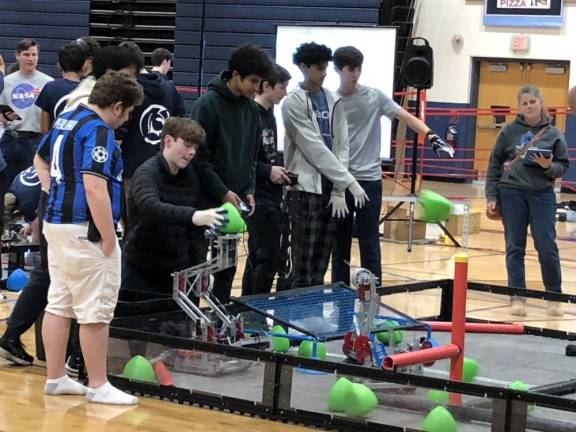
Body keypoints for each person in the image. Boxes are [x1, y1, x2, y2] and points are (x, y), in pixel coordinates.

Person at [34, 71, 144, 404]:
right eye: (127, 114)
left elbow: (39, 159)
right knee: (95, 308)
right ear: (118, 106)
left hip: (56, 223)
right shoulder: (98, 130)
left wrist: (55, 191)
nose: (125, 120)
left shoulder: (67, 119)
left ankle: (56, 378)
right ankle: (99, 385)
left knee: (60, 302)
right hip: (87, 229)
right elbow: (95, 184)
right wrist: (109, 236)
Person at [331, 46, 449, 285]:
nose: (356, 74)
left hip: (370, 180)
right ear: (337, 69)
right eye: (350, 69)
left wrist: (432, 137)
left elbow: (407, 117)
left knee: (370, 240)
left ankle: (375, 292)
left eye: (359, 68)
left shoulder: (374, 96)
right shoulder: (331, 100)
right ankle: (338, 292)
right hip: (341, 182)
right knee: (340, 242)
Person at [189, 44, 273, 303]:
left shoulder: (251, 110)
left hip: (235, 203)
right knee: (195, 266)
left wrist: (248, 191)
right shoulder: (207, 105)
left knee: (226, 268)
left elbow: (251, 157)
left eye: (260, 83)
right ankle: (185, 326)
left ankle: (218, 326)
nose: (256, 89)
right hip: (204, 201)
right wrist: (223, 192)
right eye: (252, 82)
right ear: (235, 75)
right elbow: (199, 159)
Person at [282, 42, 367, 289]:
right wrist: (349, 181)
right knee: (300, 263)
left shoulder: (333, 100)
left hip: (330, 190)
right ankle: (292, 323)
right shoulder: (293, 102)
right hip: (304, 190)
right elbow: (314, 148)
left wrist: (340, 189)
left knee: (321, 263)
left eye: (326, 68)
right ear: (303, 67)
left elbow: (342, 146)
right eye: (319, 68)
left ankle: (313, 320)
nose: (324, 73)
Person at [486, 84, 569, 317]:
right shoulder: (508, 131)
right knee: (515, 247)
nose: (529, 106)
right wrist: (491, 196)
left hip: (542, 195)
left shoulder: (554, 134)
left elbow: (563, 166)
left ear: (540, 103)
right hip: (511, 194)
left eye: (533, 101)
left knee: (547, 246)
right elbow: (494, 164)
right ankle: (517, 296)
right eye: (525, 103)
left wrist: (548, 166)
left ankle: (554, 296)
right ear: (519, 107)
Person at [122, 117, 225, 295]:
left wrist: (199, 269)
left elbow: (195, 234)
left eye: (195, 147)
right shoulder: (146, 173)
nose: (192, 152)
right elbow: (150, 207)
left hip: (178, 271)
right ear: (168, 141)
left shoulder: (191, 176)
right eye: (187, 145)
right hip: (141, 270)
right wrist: (193, 216)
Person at [241, 64, 292, 296]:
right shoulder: (251, 114)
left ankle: (250, 311)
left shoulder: (270, 113)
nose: (285, 92)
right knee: (266, 258)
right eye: (282, 87)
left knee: (264, 257)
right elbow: (244, 159)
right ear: (267, 86)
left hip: (271, 193)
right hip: (258, 196)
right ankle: (253, 312)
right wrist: (267, 171)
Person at [0, 39, 53, 186]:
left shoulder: (48, 82)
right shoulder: (7, 81)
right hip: (9, 139)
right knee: (6, 184)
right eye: (26, 54)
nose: (31, 59)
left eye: (34, 55)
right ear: (17, 56)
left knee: (30, 185)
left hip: (34, 140)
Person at [35, 44, 86, 133]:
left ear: (59, 65)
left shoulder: (50, 88)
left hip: (55, 143)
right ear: (83, 67)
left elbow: (44, 128)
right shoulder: (90, 90)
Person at [150, 47, 186, 117]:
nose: (169, 67)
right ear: (164, 62)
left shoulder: (142, 83)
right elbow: (180, 113)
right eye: (169, 63)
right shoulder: (170, 87)